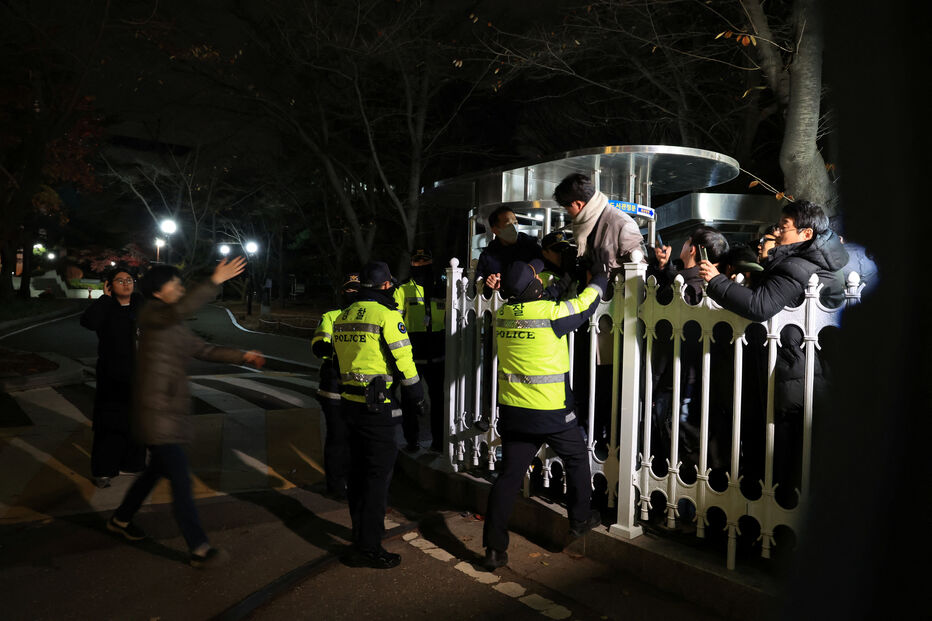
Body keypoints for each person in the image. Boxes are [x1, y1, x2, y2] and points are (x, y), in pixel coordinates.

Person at [107, 257, 266, 568]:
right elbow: (181, 309)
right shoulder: (153, 315)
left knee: (154, 472)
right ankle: (199, 548)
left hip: (167, 411)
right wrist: (214, 280)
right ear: (157, 291)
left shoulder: (171, 322)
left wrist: (242, 355)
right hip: (157, 414)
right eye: (174, 284)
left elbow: (203, 350)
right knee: (181, 482)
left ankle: (121, 519)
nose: (180, 288)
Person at [698, 200, 848, 503]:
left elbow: (760, 305)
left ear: (806, 234)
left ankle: (772, 519)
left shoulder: (798, 265)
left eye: (784, 227)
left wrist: (715, 282)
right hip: (797, 367)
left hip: (790, 370)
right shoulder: (809, 258)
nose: (776, 232)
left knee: (782, 458)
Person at [481, 259, 606, 571]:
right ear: (533, 287)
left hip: (515, 414)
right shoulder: (551, 315)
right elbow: (586, 304)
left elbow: (544, 297)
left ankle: (494, 549)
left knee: (508, 478)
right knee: (577, 460)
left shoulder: (504, 314)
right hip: (551, 412)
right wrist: (600, 278)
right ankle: (580, 520)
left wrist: (565, 278)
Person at [332, 261, 425, 569]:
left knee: (357, 476)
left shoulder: (344, 315)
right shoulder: (386, 315)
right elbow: (404, 360)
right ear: (386, 286)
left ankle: (361, 535)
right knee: (377, 479)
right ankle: (369, 547)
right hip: (377, 409)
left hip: (349, 406)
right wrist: (416, 395)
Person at [80, 267, 146, 488]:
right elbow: (88, 322)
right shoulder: (106, 306)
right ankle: (104, 470)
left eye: (129, 279)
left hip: (140, 374)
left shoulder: (141, 304)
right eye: (120, 280)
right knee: (109, 423)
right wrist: (104, 299)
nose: (126, 284)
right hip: (111, 374)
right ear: (109, 285)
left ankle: (133, 464)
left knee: (136, 421)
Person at [311, 272, 360, 499]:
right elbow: (319, 347)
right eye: (349, 289)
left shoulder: (368, 315)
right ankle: (336, 486)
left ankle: (352, 480)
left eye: (357, 289)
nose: (353, 293)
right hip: (334, 387)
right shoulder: (331, 316)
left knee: (356, 439)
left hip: (359, 389)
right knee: (338, 437)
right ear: (342, 292)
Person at [394, 248, 446, 453]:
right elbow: (396, 321)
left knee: (440, 401)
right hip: (412, 356)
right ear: (411, 264)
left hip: (438, 354)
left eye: (425, 261)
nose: (421, 265)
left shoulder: (443, 288)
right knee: (410, 401)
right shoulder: (403, 288)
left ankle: (439, 442)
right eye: (417, 261)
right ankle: (412, 441)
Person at [552, 173, 644, 280]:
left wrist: (602, 272)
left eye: (567, 209)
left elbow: (639, 267)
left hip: (615, 294)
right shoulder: (584, 224)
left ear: (578, 204)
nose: (569, 214)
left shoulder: (623, 224)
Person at [475, 205, 542, 295]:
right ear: (495, 230)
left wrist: (529, 271)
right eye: (508, 224)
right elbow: (478, 287)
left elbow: (544, 260)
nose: (514, 227)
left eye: (515, 223)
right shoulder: (487, 256)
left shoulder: (530, 246)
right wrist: (490, 284)